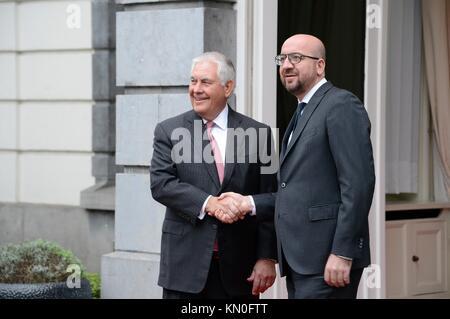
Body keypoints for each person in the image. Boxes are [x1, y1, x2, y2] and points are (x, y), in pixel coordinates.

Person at [220, 34, 375, 298]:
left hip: (328, 260)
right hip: (302, 262)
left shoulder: (340, 104)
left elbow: (358, 184)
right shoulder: (302, 111)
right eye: (282, 58)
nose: (287, 65)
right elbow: (297, 190)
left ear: (320, 65)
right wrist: (249, 203)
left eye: (297, 58)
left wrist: (342, 251)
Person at [150, 51, 278, 299]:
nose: (196, 89)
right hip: (184, 268)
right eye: (192, 81)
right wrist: (209, 203)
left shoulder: (260, 134)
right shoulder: (168, 130)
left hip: (239, 271)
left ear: (228, 87)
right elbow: (161, 184)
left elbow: (272, 197)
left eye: (205, 82)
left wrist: (267, 257)